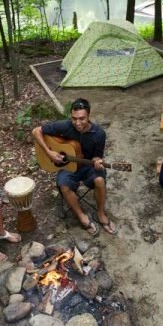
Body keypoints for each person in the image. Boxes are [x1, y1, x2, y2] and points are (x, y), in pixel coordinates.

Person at [32, 98, 117, 236]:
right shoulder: (65, 126)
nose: (77, 123)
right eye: (74, 118)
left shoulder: (99, 134)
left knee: (100, 181)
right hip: (68, 167)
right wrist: (49, 152)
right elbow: (36, 131)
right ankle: (81, 216)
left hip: (88, 166)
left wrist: (97, 162)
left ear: (89, 116)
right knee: (63, 185)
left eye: (82, 118)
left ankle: (101, 213)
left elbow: (97, 156)